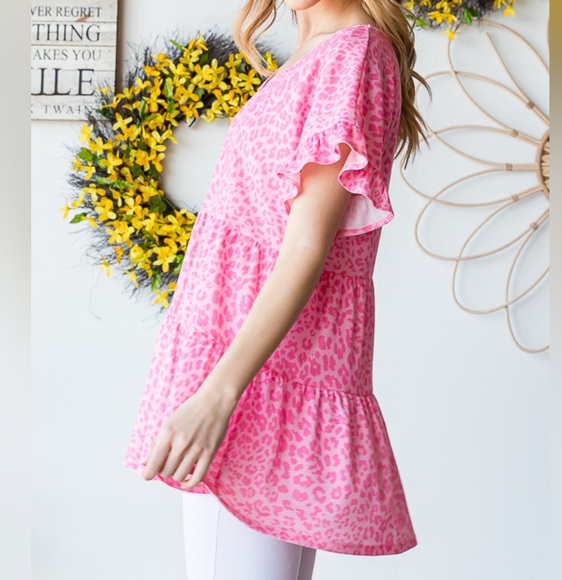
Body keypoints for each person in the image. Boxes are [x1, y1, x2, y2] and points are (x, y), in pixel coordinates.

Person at [123, 0, 431, 578]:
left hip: (261, 386)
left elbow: (306, 247)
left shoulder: (355, 53)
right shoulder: (315, 53)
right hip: (248, 373)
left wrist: (220, 394)